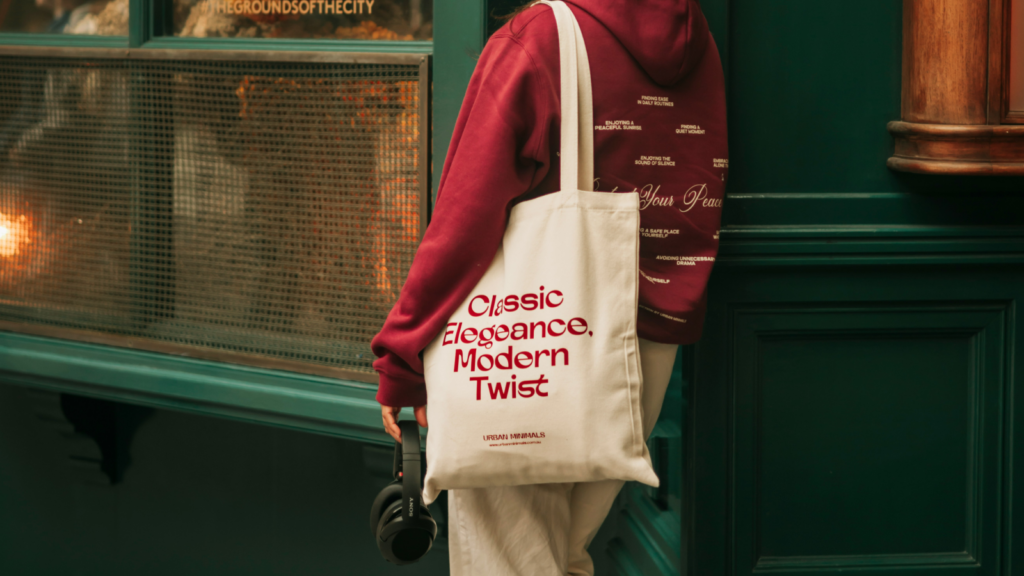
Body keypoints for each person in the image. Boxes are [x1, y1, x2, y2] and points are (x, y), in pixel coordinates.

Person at [371, 1, 727, 574]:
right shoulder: (698, 42)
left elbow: (463, 226)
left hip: (533, 340)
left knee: (510, 563)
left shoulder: (539, 38)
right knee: (562, 558)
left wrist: (402, 357)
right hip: (645, 351)